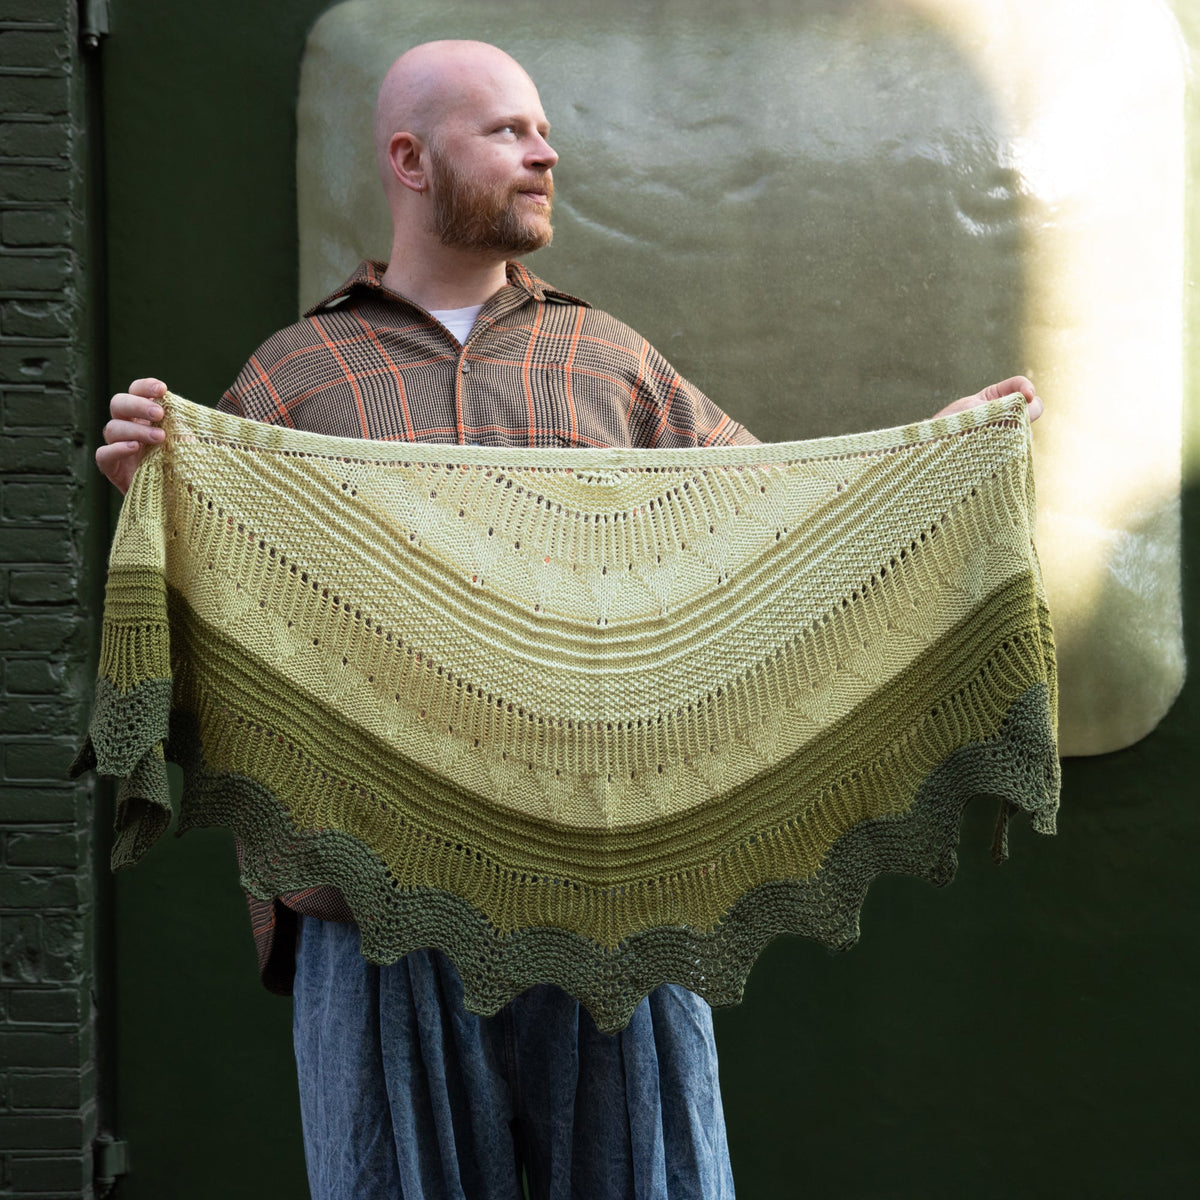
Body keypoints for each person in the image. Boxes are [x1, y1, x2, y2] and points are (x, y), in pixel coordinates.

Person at [97, 39, 1043, 1200]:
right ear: (409, 156)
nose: (544, 151)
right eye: (505, 130)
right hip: (375, 904)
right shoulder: (295, 384)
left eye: (540, 129)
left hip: (614, 910)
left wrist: (921, 468)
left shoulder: (612, 366)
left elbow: (771, 535)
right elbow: (228, 654)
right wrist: (160, 504)